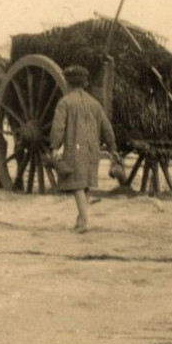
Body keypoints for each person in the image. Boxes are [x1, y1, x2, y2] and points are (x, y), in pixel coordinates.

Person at [49, 64, 121, 233]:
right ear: (84, 83)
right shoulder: (95, 104)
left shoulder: (64, 102)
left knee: (76, 185)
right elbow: (106, 128)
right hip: (92, 150)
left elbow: (58, 127)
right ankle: (81, 218)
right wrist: (112, 147)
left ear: (68, 83)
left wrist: (54, 147)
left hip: (75, 148)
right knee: (85, 184)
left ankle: (84, 221)